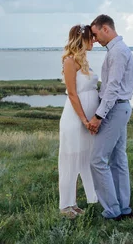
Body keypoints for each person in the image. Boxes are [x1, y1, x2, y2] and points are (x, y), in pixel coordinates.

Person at [88, 14, 133, 221]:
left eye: (96, 34)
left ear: (105, 28)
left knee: (97, 159)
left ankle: (112, 210)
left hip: (115, 110)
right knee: (118, 159)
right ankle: (123, 208)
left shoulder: (117, 52)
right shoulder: (118, 50)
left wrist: (99, 116)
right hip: (120, 108)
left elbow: (113, 88)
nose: (95, 39)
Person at [58, 24, 99, 219]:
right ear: (81, 39)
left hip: (88, 121)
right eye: (91, 37)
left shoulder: (84, 61)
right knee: (70, 161)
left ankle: (87, 200)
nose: (94, 41)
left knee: (85, 159)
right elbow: (73, 94)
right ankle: (66, 205)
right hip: (75, 120)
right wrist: (84, 119)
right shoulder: (70, 61)